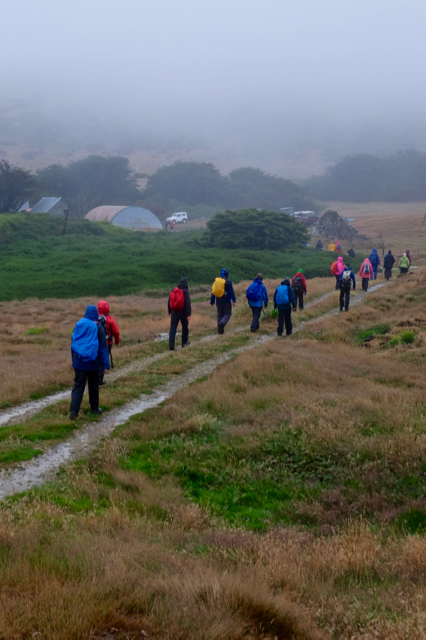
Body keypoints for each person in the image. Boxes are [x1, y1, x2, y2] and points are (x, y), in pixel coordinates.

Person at [70, 305, 110, 420]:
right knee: (93, 386)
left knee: (78, 386)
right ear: (95, 314)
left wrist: (74, 360)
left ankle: (74, 411)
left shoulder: (78, 325)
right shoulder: (98, 326)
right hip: (93, 362)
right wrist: (105, 364)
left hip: (78, 361)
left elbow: (73, 344)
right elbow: (103, 347)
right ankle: (94, 409)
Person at [97, 300, 120, 385]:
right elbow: (116, 332)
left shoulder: (95, 318)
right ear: (107, 308)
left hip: (96, 342)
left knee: (97, 359)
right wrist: (117, 341)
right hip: (107, 342)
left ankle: (94, 376)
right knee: (103, 358)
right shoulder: (110, 319)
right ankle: (100, 379)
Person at [168, 277, 191, 350]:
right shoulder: (185, 291)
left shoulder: (174, 290)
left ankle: (171, 345)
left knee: (173, 328)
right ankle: (184, 343)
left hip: (174, 312)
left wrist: (169, 311)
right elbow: (187, 303)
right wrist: (188, 314)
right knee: (185, 328)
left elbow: (169, 301)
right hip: (183, 313)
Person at [211, 268, 236, 334]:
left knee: (219, 315)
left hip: (218, 301)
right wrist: (234, 300)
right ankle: (222, 324)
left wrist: (212, 301)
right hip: (226, 301)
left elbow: (213, 292)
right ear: (227, 274)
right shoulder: (228, 282)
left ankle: (220, 331)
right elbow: (231, 292)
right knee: (227, 314)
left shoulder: (216, 281)